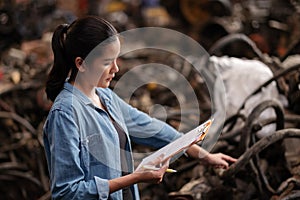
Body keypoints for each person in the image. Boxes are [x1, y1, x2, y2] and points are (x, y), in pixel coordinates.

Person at [43, 15, 237, 200]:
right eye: (107, 63)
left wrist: (204, 155)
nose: (116, 69)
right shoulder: (66, 113)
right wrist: (136, 177)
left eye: (117, 60)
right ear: (81, 63)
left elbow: (151, 128)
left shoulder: (105, 96)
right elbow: (67, 192)